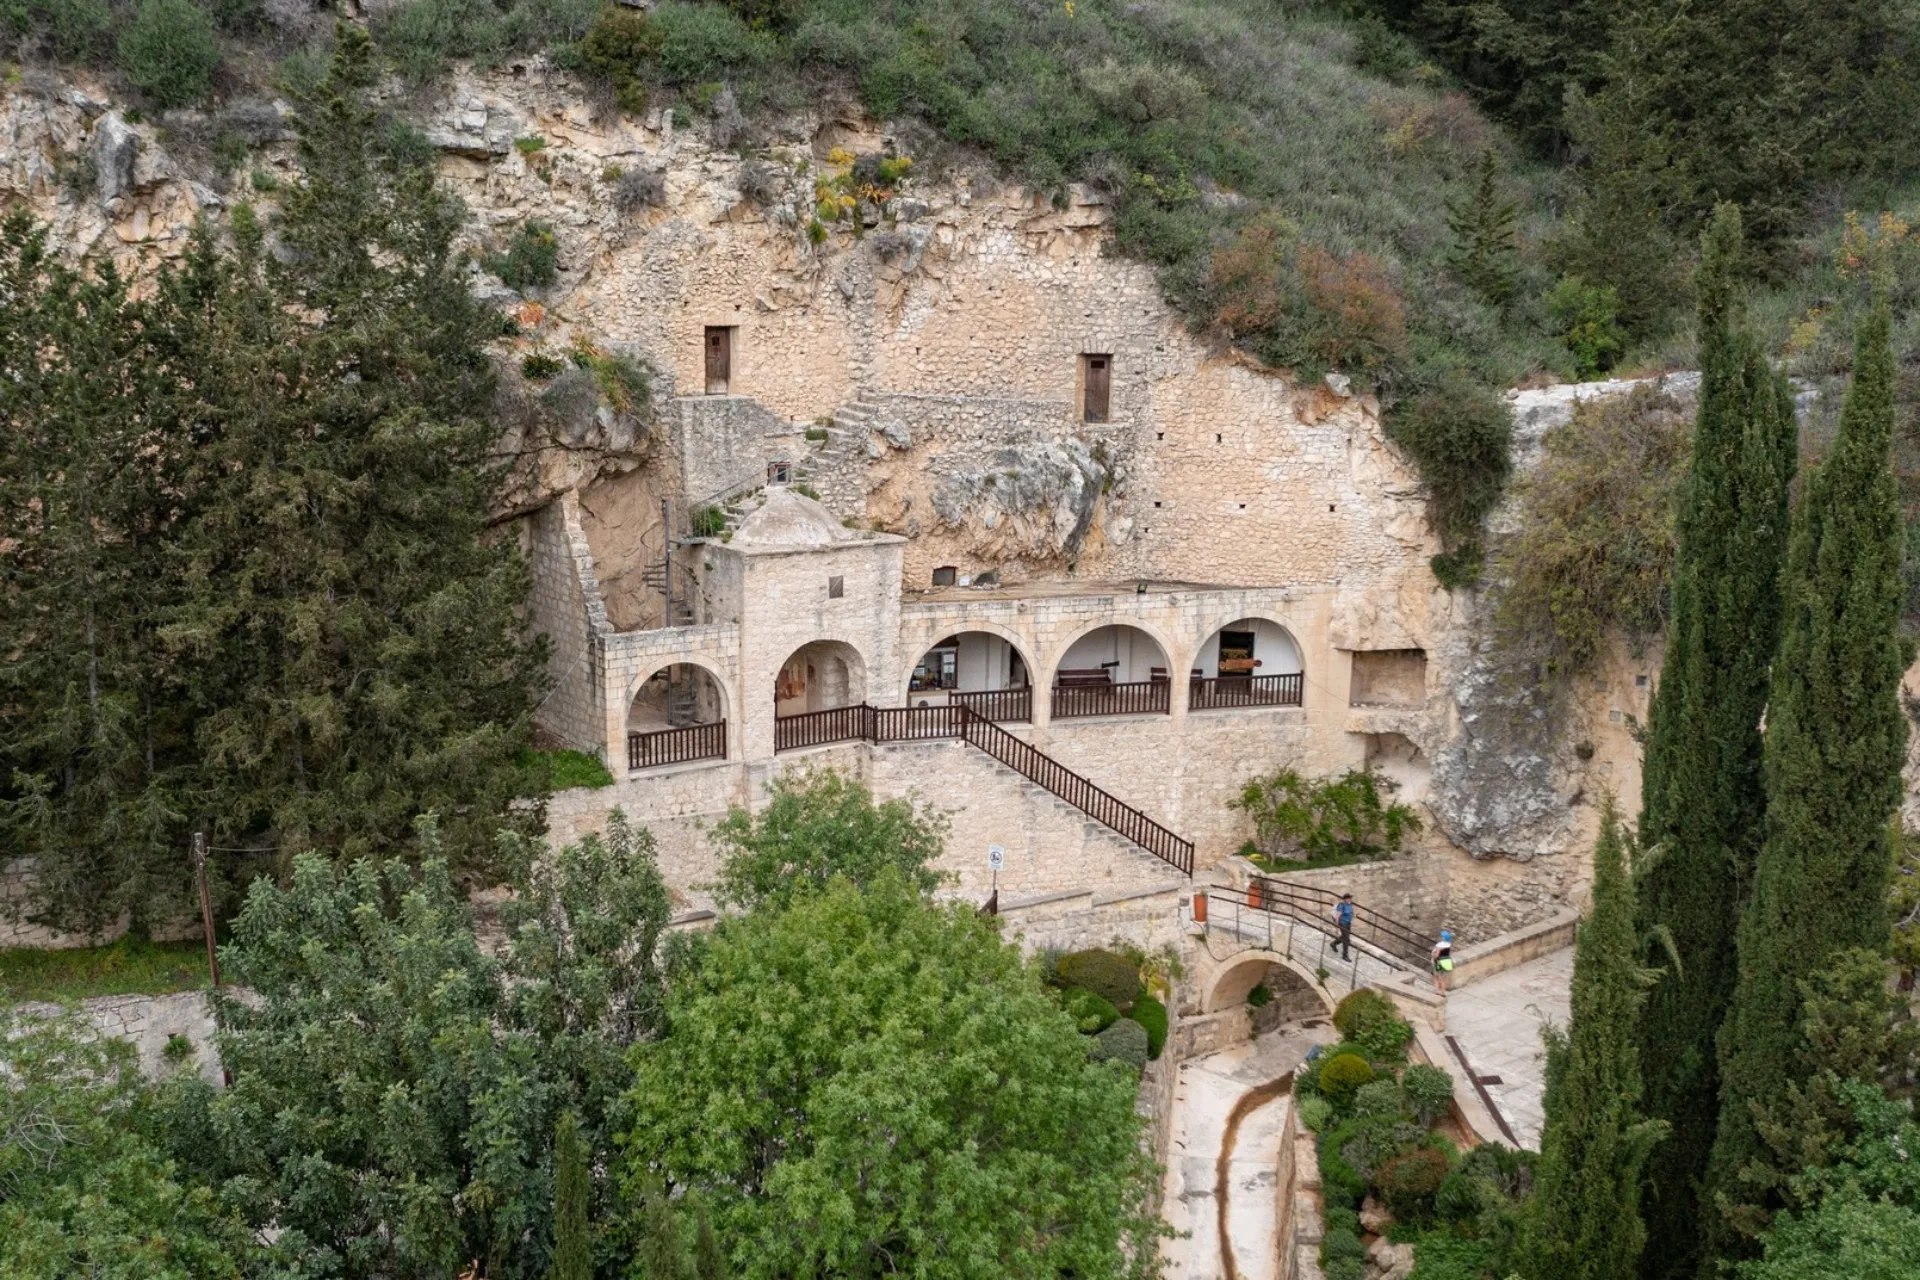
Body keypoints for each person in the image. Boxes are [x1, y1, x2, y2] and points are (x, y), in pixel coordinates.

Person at [1431, 929, 1455, 994]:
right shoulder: (1449, 945)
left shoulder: (1440, 944)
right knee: (1442, 978)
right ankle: (1443, 991)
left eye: (1442, 936)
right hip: (1446, 962)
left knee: (1437, 977)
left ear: (1443, 938)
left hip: (1439, 962)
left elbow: (1437, 954)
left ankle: (1437, 990)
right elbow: (1449, 954)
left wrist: (1434, 959)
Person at [1333, 892, 1355, 960]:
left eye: (1350, 898)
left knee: (1344, 937)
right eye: (1348, 898)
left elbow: (1350, 913)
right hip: (1342, 924)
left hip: (1348, 923)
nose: (1350, 899)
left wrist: (1354, 916)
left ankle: (1333, 943)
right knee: (1346, 940)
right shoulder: (1341, 905)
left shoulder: (1350, 905)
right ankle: (1345, 955)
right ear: (1345, 899)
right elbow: (1337, 917)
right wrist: (1337, 928)